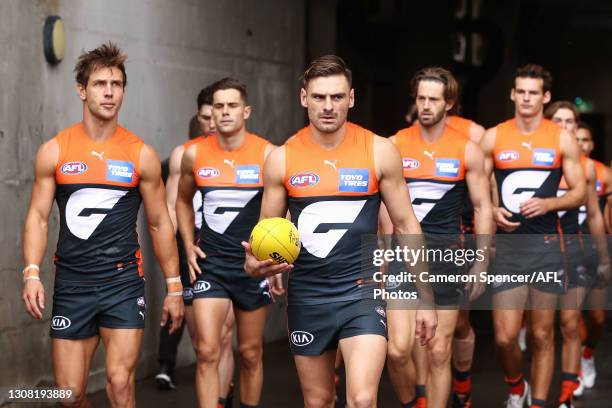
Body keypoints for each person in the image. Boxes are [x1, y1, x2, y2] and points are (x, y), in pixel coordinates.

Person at [243, 55, 437, 408]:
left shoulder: (379, 151)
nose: (328, 106)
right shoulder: (282, 158)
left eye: (336, 97)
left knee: (362, 399)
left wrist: (424, 297)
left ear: (351, 98)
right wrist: (255, 268)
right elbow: (264, 236)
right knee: (318, 400)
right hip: (307, 296)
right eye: (319, 97)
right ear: (304, 98)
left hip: (362, 293)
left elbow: (407, 224)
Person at [21, 41, 184, 407]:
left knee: (120, 384)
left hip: (122, 282)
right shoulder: (55, 151)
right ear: (82, 89)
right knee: (70, 395)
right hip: (73, 283)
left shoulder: (140, 154)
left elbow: (159, 222)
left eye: (116, 84)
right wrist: (31, 272)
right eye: (100, 84)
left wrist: (174, 288)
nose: (109, 92)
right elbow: (37, 216)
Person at [385, 67, 492, 408]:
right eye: (421, 98)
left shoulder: (467, 150)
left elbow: (482, 207)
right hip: (404, 257)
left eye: (434, 99)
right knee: (398, 350)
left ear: (450, 103)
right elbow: (379, 205)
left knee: (439, 350)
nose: (426, 105)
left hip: (448, 257)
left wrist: (482, 262)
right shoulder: (394, 145)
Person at [480, 64, 586, 408]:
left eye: (533, 92)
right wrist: (493, 209)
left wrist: (549, 203)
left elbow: (581, 193)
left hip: (546, 248)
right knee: (505, 337)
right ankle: (516, 387)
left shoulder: (561, 138)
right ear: (512, 94)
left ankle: (539, 402)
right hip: (509, 248)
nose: (526, 98)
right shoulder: (494, 136)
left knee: (542, 334)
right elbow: (479, 188)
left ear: (545, 97)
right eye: (520, 91)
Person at [177, 77, 274, 408]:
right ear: (211, 112)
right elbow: (181, 201)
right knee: (206, 350)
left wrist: (275, 260)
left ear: (246, 111)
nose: (225, 112)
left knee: (249, 353)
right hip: (211, 266)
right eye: (219, 106)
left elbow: (283, 209)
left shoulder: (268, 155)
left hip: (253, 268)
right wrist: (188, 243)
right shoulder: (194, 155)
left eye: (232, 106)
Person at [156, 85, 236, 406]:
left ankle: (221, 399)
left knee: (225, 336)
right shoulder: (183, 156)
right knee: (204, 346)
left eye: (219, 112)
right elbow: (171, 212)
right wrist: (174, 263)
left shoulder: (245, 154)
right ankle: (219, 393)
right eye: (207, 116)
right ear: (199, 117)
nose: (214, 122)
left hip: (227, 256)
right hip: (193, 256)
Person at [545, 101, 609, 406]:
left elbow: (596, 214)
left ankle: (576, 374)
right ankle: (532, 386)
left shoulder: (587, 168)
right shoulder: (534, 162)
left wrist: (606, 257)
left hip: (579, 248)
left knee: (585, 319)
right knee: (539, 331)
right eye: (557, 120)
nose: (564, 127)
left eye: (569, 121)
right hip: (539, 250)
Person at [574, 121, 612, 392]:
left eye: (585, 139)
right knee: (571, 313)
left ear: (592, 144)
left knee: (597, 317)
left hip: (595, 249)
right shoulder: (559, 172)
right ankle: (575, 369)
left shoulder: (603, 173)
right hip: (568, 250)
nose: (581, 144)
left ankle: (588, 353)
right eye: (576, 139)